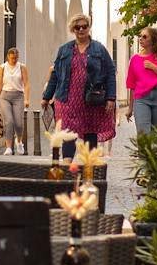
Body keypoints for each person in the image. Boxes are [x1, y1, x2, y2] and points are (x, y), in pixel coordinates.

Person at [41, 15, 116, 159]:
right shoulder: (64, 50)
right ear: (73, 30)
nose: (81, 29)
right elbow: (55, 74)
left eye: (84, 26)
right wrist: (47, 96)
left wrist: (111, 98)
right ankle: (67, 166)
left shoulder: (99, 49)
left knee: (90, 131)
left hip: (90, 99)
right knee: (68, 133)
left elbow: (110, 72)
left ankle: (90, 167)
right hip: (67, 99)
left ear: (89, 27)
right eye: (77, 27)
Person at [123, 26, 157, 134]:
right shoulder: (135, 59)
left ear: (153, 39)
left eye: (144, 37)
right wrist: (130, 108)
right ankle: (144, 152)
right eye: (140, 36)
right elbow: (132, 85)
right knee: (144, 136)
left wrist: (154, 68)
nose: (140, 39)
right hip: (141, 99)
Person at [0, 47, 30, 155]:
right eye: (13, 58)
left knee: (18, 123)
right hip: (5, 96)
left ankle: (19, 142)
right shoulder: (3, 67)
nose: (14, 60)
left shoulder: (22, 67)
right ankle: (8, 147)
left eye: (16, 58)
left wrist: (27, 99)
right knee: (8, 121)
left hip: (18, 96)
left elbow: (26, 84)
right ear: (8, 57)